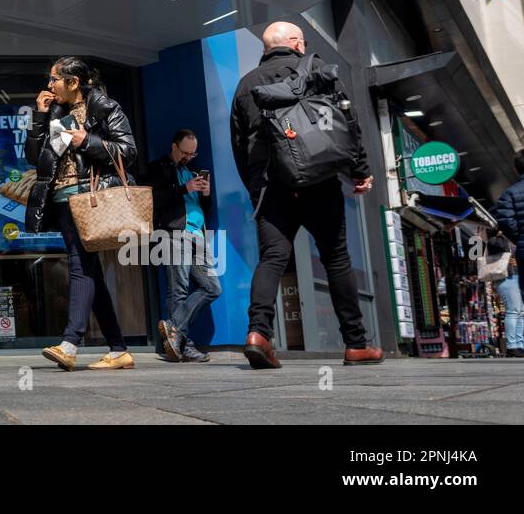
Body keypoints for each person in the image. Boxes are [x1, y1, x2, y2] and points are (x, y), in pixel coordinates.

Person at [230, 21, 383, 369]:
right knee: (336, 257)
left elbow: (239, 146)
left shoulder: (245, 85)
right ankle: (356, 345)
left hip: (271, 186)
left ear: (266, 48)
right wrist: (359, 171)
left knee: (272, 258)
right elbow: (348, 122)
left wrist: (256, 188)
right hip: (319, 181)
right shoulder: (316, 70)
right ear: (297, 43)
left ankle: (258, 335)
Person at [27, 56, 139, 371]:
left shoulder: (105, 108)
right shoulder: (57, 112)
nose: (49, 86)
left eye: (54, 79)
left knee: (80, 265)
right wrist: (40, 115)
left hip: (89, 198)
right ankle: (118, 349)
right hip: (62, 201)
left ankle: (70, 343)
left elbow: (128, 151)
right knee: (91, 273)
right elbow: (35, 158)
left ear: (73, 82)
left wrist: (86, 140)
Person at [145, 129, 220, 363]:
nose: (189, 157)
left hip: (198, 236)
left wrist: (205, 195)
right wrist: (184, 188)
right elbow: (154, 200)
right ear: (174, 147)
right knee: (178, 290)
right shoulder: (159, 168)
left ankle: (173, 327)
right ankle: (183, 346)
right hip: (174, 234)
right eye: (185, 152)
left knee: (212, 287)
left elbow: (203, 209)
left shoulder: (192, 171)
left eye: (193, 153)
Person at [494, 149, 524, 354]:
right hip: (507, 275)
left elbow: (508, 223)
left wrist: (520, 238)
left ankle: (517, 345)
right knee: (516, 310)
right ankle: (516, 345)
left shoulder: (509, 194)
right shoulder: (483, 237)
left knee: (521, 307)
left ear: (516, 168)